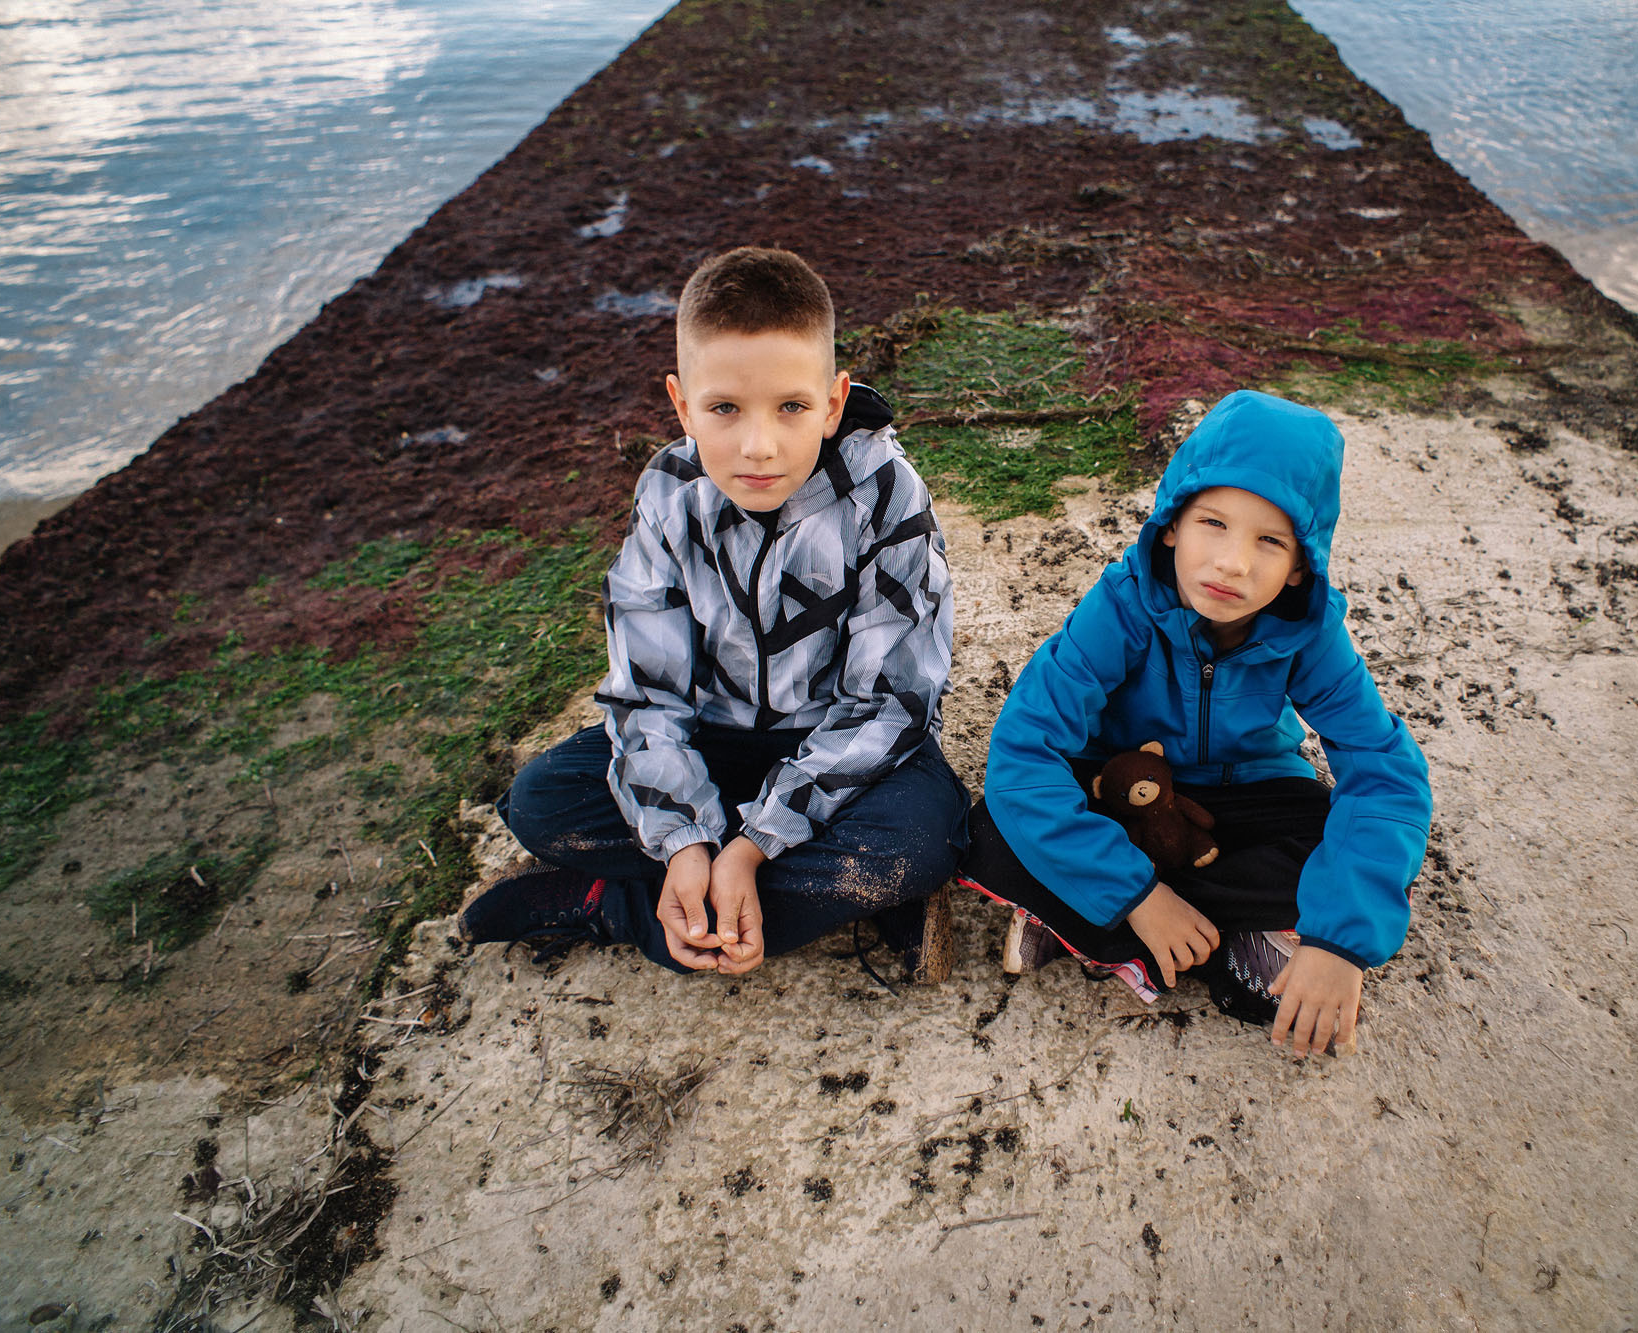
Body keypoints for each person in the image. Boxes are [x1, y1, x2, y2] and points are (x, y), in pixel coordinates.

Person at [462, 246, 968, 980]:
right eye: (724, 408)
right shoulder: (668, 493)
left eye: (791, 406)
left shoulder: (885, 493)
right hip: (716, 741)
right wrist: (685, 841)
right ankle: (836, 895)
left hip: (849, 754)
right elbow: (647, 693)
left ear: (832, 400)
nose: (757, 446)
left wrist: (751, 844)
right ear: (681, 403)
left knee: (923, 838)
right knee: (540, 801)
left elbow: (890, 704)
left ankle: (613, 906)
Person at [960, 390, 1431, 1056]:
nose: (1234, 562)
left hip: (1242, 796)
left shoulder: (1309, 636)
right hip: (1128, 792)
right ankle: (1193, 925)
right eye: (1214, 523)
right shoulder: (1122, 606)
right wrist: (1139, 894)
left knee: (1343, 836)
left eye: (1270, 540)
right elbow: (1023, 749)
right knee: (990, 829)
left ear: (1301, 565)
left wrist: (1340, 942)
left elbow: (1386, 774)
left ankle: (1077, 920)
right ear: (1173, 523)